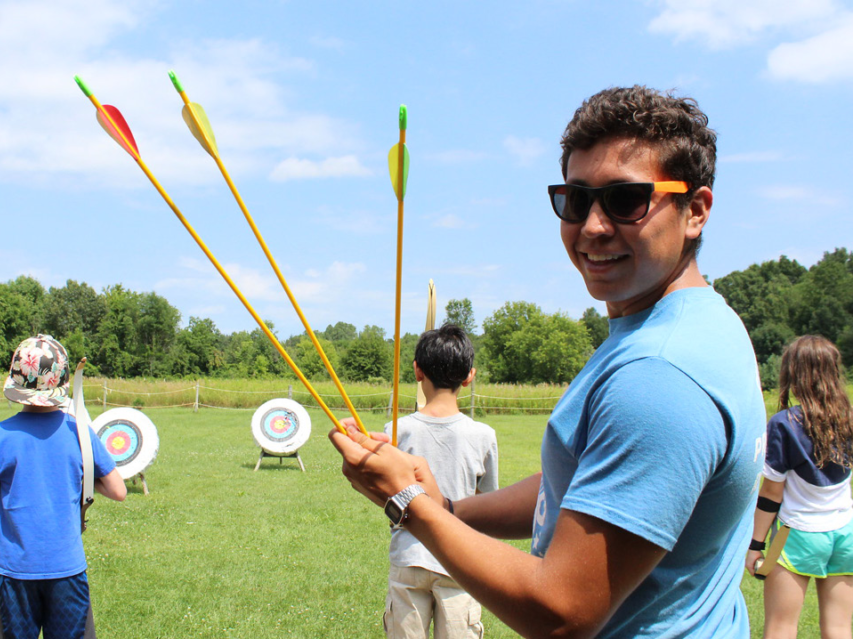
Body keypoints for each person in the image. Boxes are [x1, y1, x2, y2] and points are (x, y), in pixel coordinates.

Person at [330, 86, 767, 638]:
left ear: (695, 210)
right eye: (575, 199)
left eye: (626, 199)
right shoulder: (699, 322)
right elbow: (590, 487)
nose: (592, 226)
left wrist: (410, 503)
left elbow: (563, 613)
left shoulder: (659, 373)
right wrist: (452, 508)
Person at [0, 334, 127, 639]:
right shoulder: (79, 433)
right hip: (66, 569)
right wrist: (75, 476)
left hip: (16, 570)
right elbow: (118, 490)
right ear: (62, 380)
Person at [384, 324, 498, 639]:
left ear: (418, 371)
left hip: (411, 558)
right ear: (469, 375)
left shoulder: (397, 430)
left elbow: (387, 494)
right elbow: (487, 505)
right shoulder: (483, 436)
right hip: (460, 561)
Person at [745, 335, 853, 639]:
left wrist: (755, 546)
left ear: (794, 373)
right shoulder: (848, 419)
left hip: (795, 534)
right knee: (840, 628)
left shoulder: (784, 424)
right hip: (845, 533)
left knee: (781, 627)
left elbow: (770, 494)